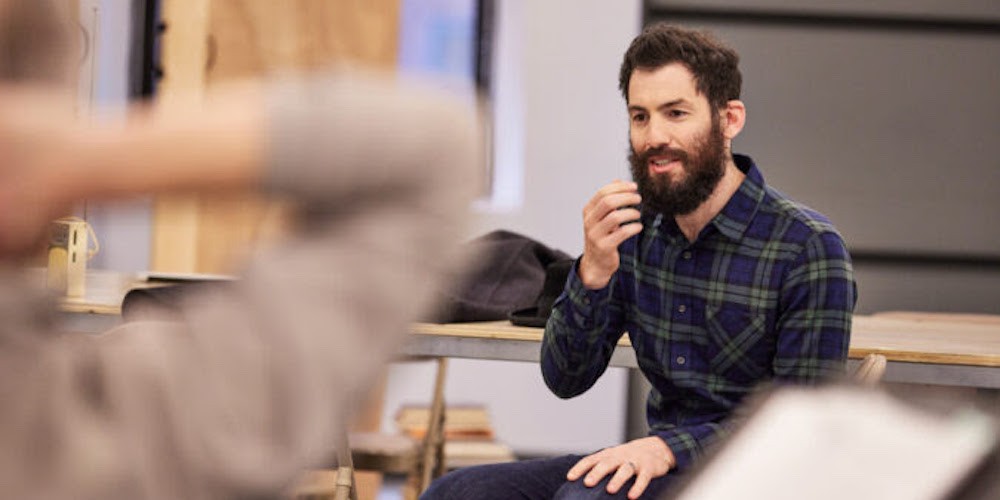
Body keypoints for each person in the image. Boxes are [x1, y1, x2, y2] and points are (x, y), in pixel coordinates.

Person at [0, 46, 480, 500]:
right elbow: (557, 366)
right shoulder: (119, 436)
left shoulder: (96, 425)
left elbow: (559, 379)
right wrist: (77, 159)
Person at [423, 23, 856, 500]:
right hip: (654, 463)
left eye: (675, 113)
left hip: (752, 479)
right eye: (640, 116)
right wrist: (592, 272)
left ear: (729, 119)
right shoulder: (633, 232)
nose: (654, 137)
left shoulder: (808, 247)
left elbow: (802, 424)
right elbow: (566, 378)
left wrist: (669, 449)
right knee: (457, 493)